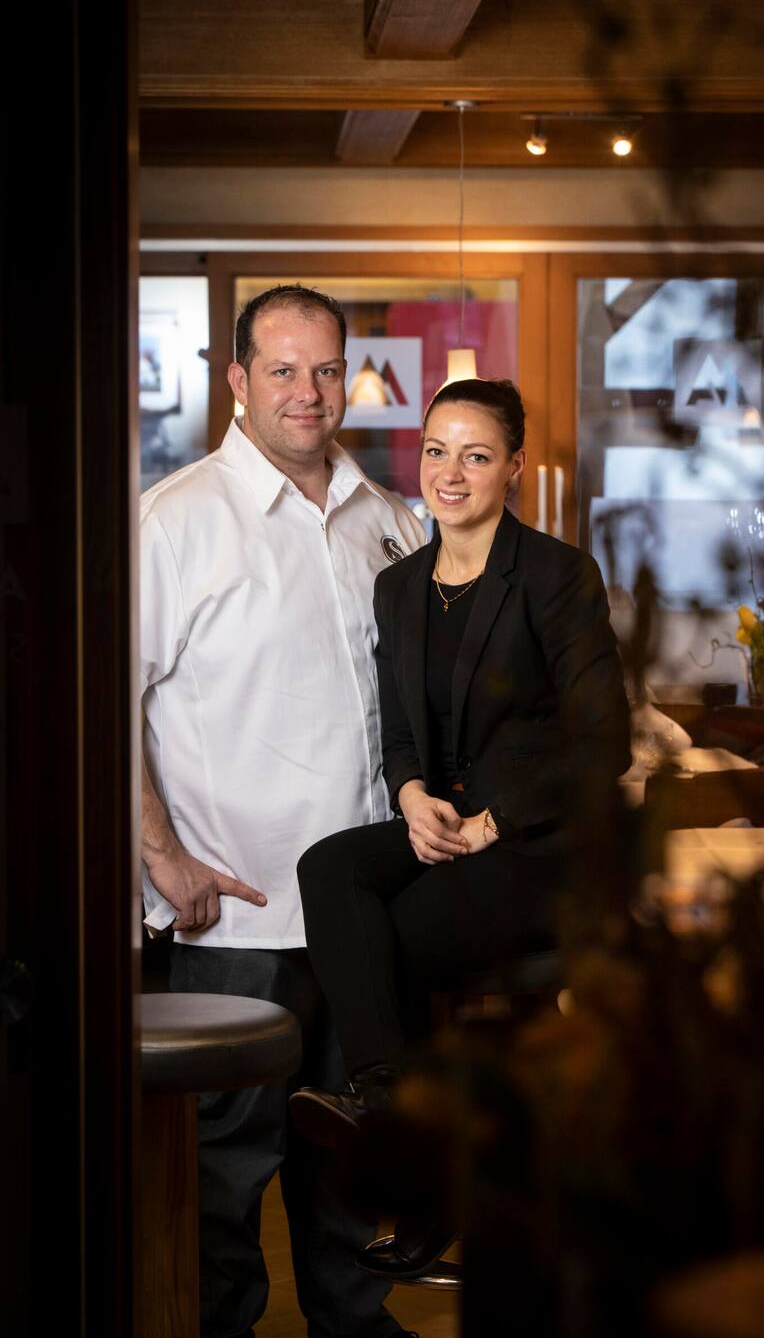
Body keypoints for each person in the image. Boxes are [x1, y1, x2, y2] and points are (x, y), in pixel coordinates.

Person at [290, 378, 632, 1272]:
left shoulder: (557, 576)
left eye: (476, 455)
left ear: (513, 467)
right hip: (443, 823)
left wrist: (493, 822)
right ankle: (390, 1105)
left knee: (387, 939)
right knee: (329, 868)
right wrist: (409, 794)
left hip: (541, 843)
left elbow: (606, 744)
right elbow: (401, 731)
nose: (450, 472)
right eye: (437, 450)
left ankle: (425, 1164)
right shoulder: (399, 585)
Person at [140, 284, 426, 1338]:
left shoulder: (389, 519)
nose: (308, 392)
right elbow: (100, 697)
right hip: (238, 917)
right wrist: (161, 854)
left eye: (325, 369)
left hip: (364, 920)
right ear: (237, 381)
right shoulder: (175, 519)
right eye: (282, 370)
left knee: (349, 1163)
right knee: (224, 1180)